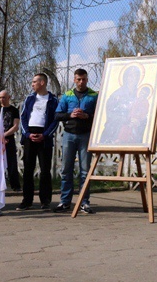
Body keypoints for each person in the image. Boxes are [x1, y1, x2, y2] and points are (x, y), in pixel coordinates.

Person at [53, 69, 98, 214]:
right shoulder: (67, 95)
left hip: (85, 135)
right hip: (69, 135)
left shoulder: (93, 96)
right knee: (66, 169)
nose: (81, 82)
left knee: (85, 170)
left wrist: (86, 116)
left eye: (84, 79)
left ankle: (84, 202)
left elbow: (100, 115)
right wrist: (70, 115)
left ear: (87, 79)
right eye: (78, 79)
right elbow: (57, 115)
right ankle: (65, 202)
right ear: (74, 80)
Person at [18, 73, 58, 210]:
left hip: (44, 137)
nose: (32, 84)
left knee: (45, 169)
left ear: (42, 83)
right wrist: (28, 134)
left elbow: (55, 121)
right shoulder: (29, 99)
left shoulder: (53, 100)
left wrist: (45, 135)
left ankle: (45, 200)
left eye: (34, 82)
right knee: (28, 168)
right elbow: (23, 117)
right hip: (30, 135)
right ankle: (27, 200)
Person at [0, 90, 21, 192]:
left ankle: (15, 185)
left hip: (9, 139)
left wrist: (4, 136)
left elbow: (15, 126)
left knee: (11, 163)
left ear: (8, 98)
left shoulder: (14, 110)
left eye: (4, 97)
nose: (2, 99)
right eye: (0, 97)